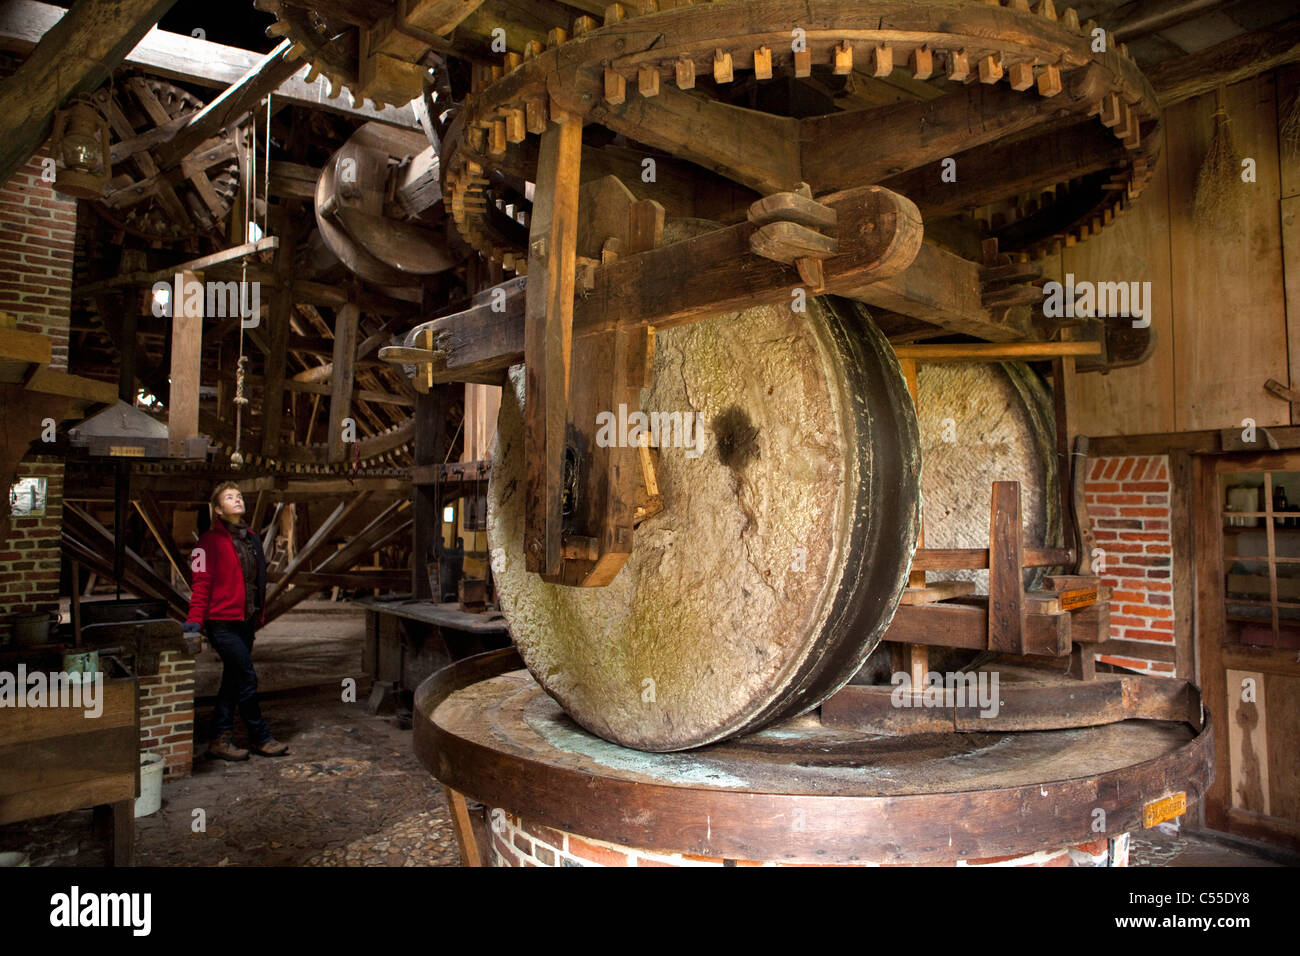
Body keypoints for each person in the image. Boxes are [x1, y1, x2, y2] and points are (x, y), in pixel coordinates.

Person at [184, 481, 289, 760]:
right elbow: (201, 584)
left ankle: (219, 738)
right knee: (247, 677)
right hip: (221, 623)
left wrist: (257, 614)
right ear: (218, 509)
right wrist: (194, 622)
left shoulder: (252, 539)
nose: (237, 500)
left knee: (232, 681)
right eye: (229, 497)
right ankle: (260, 736)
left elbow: (256, 581)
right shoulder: (206, 543)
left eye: (239, 496)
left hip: (246, 621)